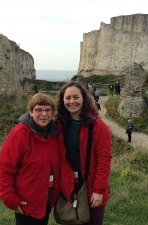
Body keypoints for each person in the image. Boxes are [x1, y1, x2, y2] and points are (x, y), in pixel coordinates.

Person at [0, 93, 72, 225]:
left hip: (47, 201)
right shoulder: (20, 134)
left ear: (52, 113)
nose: (44, 114)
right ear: (31, 112)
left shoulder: (55, 133)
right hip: (27, 203)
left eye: (48, 110)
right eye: (38, 110)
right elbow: (5, 168)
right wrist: (10, 199)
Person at [55, 81, 112, 225]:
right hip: (67, 185)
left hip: (91, 185)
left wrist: (99, 190)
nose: (72, 101)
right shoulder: (59, 124)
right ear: (62, 100)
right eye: (67, 98)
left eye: (76, 97)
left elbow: (104, 160)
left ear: (84, 99)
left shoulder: (97, 126)